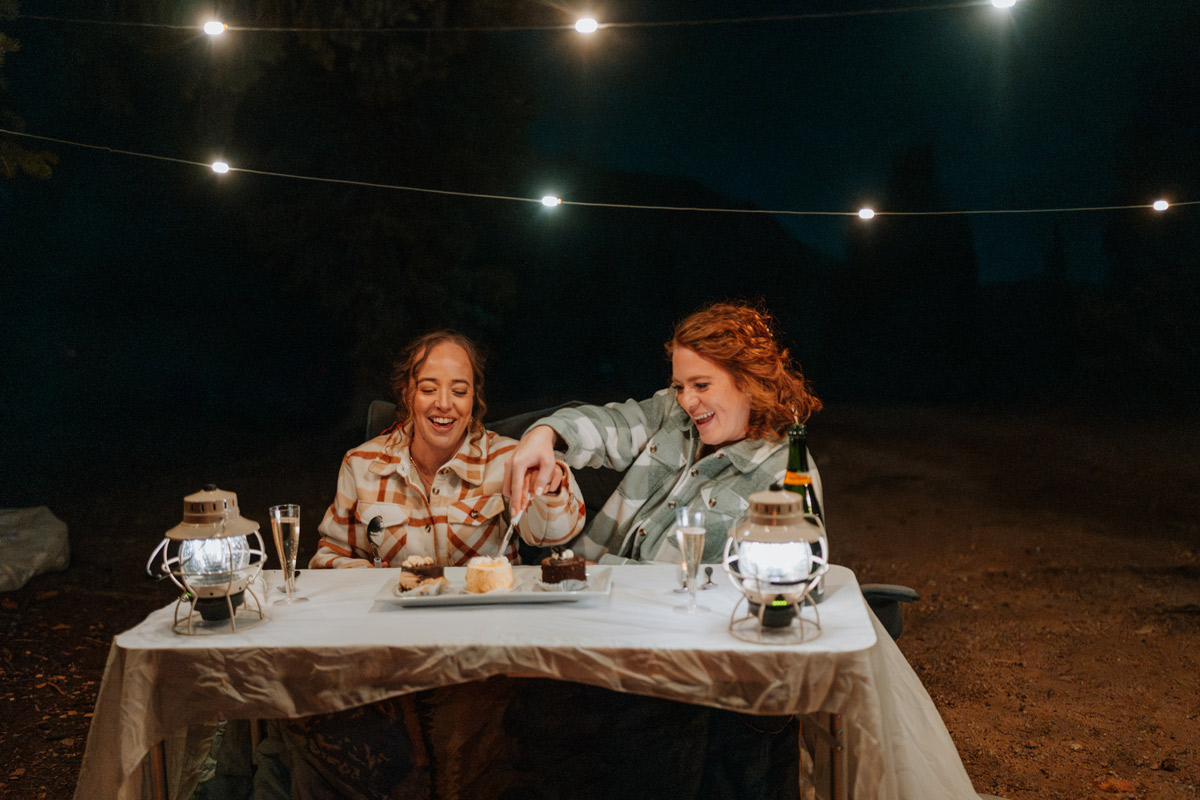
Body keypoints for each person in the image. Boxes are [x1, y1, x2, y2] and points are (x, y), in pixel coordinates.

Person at [504, 300, 822, 564]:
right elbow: (611, 426)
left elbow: (726, 585)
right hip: (583, 587)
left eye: (701, 385)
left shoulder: (785, 476)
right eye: (679, 386)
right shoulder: (672, 410)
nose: (687, 400)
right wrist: (545, 435)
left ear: (749, 380)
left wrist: (603, 570)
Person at [311, 330, 585, 569]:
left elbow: (553, 534)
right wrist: (374, 585)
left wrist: (550, 486)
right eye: (429, 389)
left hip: (488, 620)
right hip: (397, 624)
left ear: (473, 399)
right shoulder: (359, 464)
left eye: (459, 391)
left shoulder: (509, 459)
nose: (443, 404)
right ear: (407, 394)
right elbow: (330, 559)